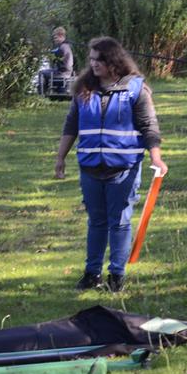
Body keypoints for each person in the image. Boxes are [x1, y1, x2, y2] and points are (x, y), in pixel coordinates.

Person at [54, 36, 167, 292]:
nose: (94, 64)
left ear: (113, 61)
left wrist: (156, 157)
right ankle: (91, 273)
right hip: (90, 168)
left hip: (123, 169)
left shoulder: (136, 89)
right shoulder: (83, 89)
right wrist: (60, 157)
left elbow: (149, 126)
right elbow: (71, 125)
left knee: (120, 222)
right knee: (96, 222)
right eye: (91, 59)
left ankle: (116, 276)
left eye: (99, 60)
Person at [38, 27, 74, 95]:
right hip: (67, 72)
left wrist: (52, 55)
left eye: (56, 38)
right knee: (49, 71)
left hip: (62, 72)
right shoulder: (66, 46)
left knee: (41, 73)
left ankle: (41, 95)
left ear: (61, 36)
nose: (54, 40)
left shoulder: (63, 47)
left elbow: (62, 60)